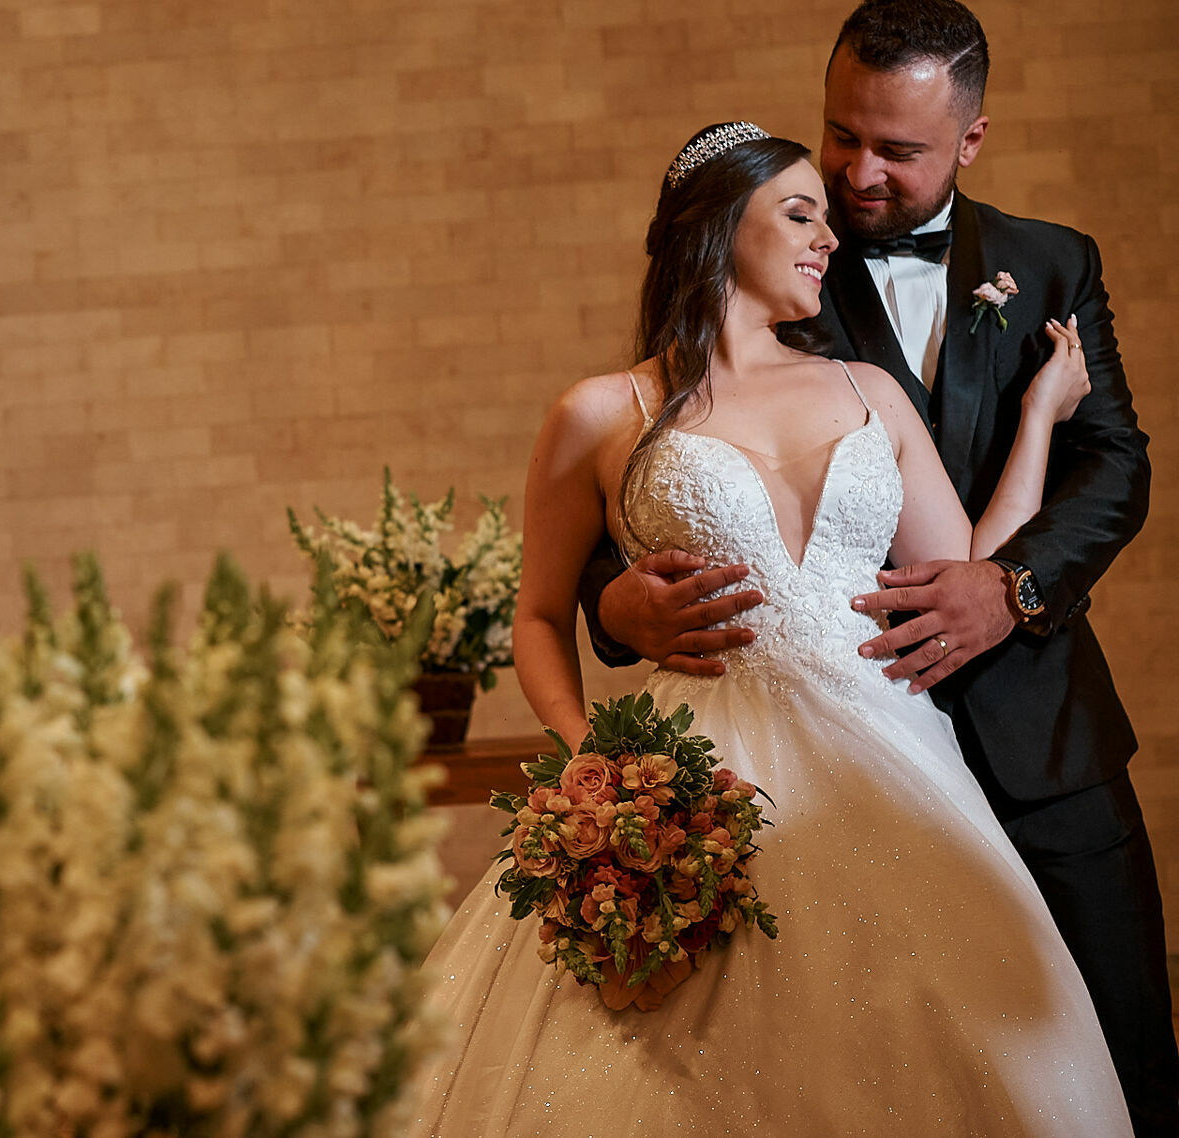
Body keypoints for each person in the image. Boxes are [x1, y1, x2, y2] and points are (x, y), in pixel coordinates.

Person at [408, 122, 1129, 1135]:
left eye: (826, 222)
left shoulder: (865, 389)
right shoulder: (601, 410)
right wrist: (583, 760)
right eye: (800, 214)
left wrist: (1044, 418)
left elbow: (969, 565)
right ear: (715, 226)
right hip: (701, 771)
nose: (827, 238)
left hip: (895, 765)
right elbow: (538, 613)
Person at [583, 0, 1175, 1135]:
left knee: (1117, 1062)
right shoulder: (775, 254)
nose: (855, 176)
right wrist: (617, 609)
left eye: (895, 150)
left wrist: (1015, 586)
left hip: (1039, 732)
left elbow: (1116, 462)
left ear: (971, 138)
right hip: (825, 765)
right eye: (841, 133)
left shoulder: (1054, 264)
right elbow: (647, 473)